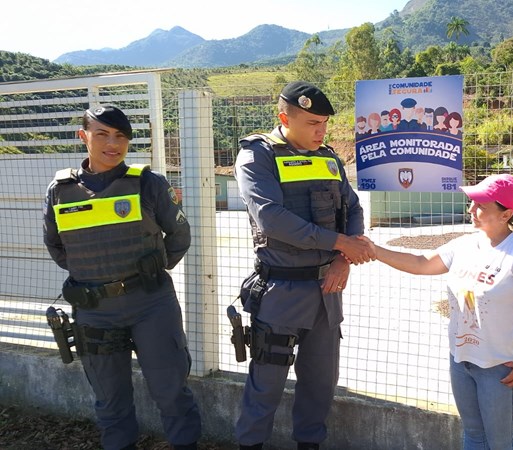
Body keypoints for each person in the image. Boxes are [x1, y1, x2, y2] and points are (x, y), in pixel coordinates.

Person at [43, 105, 202, 450]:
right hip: (95, 309)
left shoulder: (148, 183)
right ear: (83, 136)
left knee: (171, 392)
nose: (112, 144)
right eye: (102, 134)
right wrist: (94, 274)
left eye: (120, 137)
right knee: (110, 402)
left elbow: (179, 235)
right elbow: (55, 245)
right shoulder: (61, 190)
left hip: (150, 304)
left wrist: (151, 270)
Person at [363, 174, 513, 450]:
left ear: (507, 215)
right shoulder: (464, 244)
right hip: (461, 360)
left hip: (499, 368)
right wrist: (374, 250)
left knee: (500, 444)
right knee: (473, 436)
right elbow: (420, 263)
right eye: (471, 203)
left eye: (480, 206)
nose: (471, 210)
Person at [233, 81, 374, 450]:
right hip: (281, 290)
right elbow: (271, 218)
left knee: (320, 384)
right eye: (313, 123)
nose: (321, 131)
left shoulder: (328, 157)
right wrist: (339, 242)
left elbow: (353, 208)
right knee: (266, 384)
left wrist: (343, 258)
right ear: (285, 118)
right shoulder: (257, 156)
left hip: (327, 290)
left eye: (324, 123)